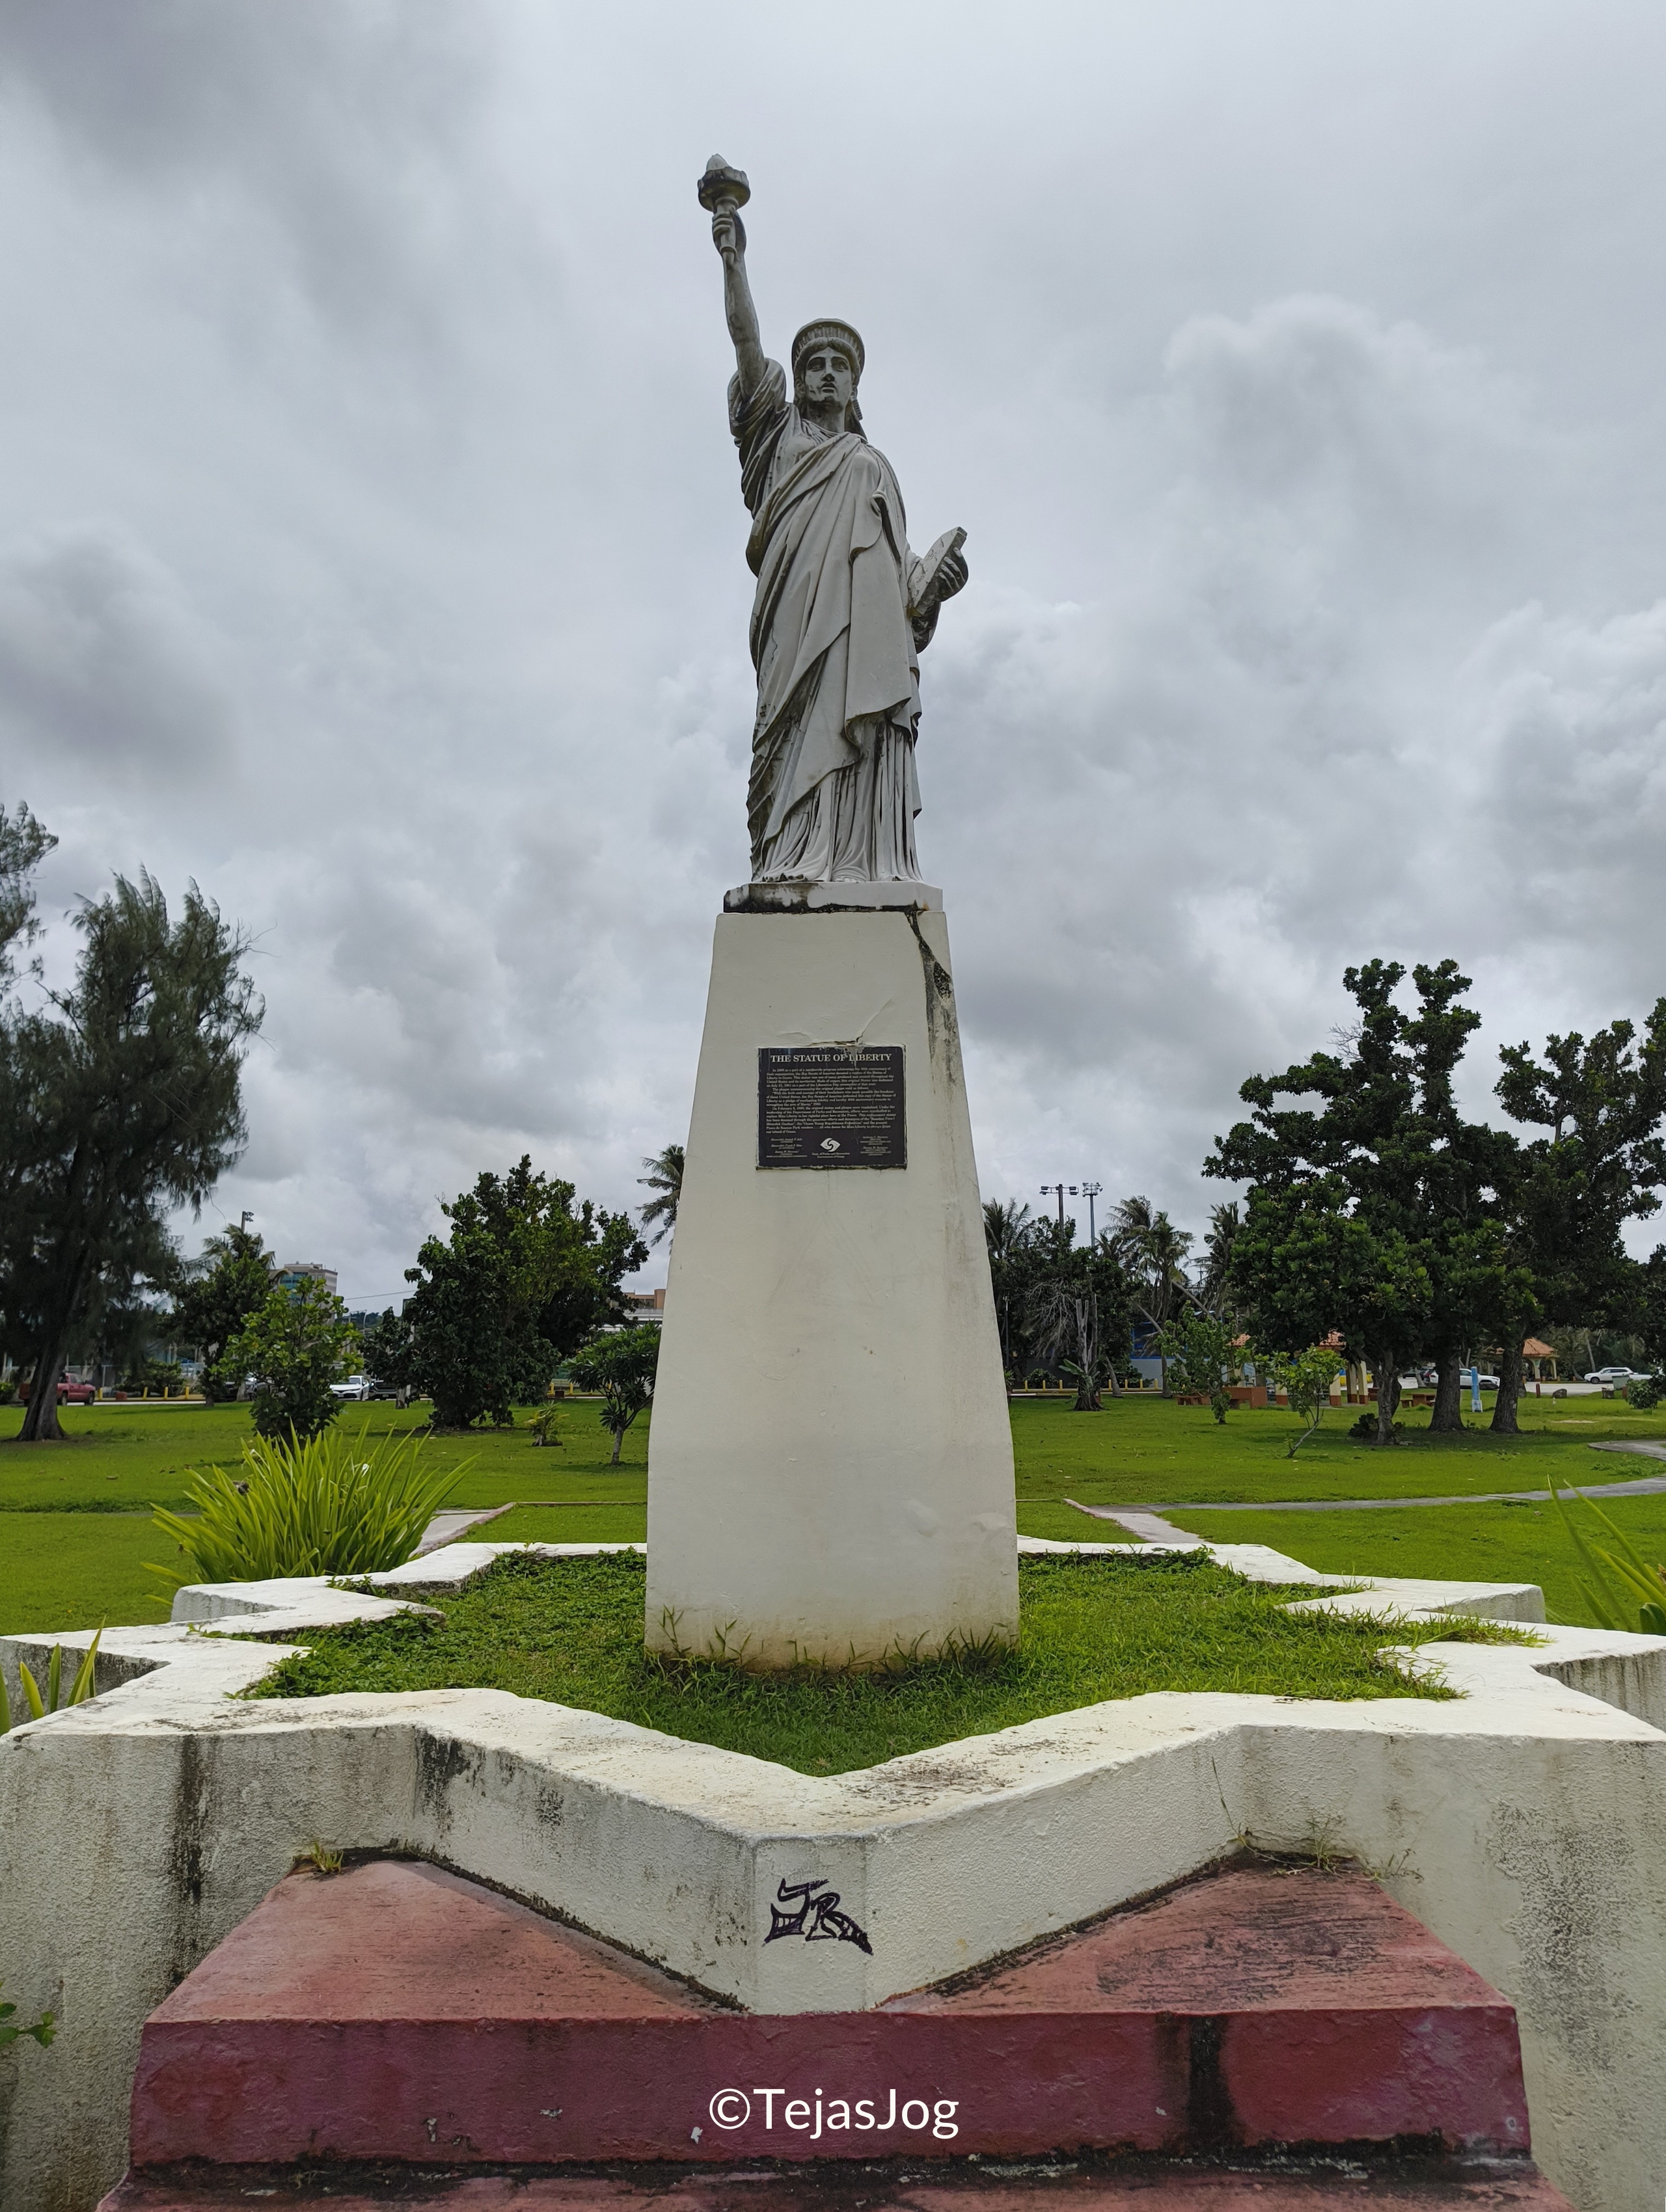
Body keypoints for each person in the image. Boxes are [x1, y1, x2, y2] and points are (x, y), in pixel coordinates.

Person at [711, 199, 968, 884]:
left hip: (861, 634)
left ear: (855, 383)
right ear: (798, 381)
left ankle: (861, 857)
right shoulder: (775, 437)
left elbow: (900, 588)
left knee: (858, 711)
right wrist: (733, 260)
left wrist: (931, 589)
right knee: (795, 729)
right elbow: (745, 343)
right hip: (794, 619)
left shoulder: (871, 464)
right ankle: (792, 852)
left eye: (839, 364)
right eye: (814, 363)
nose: (825, 371)